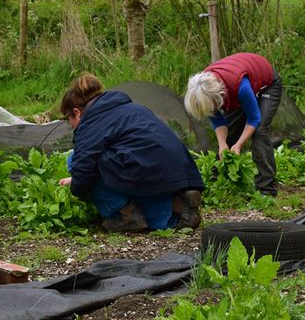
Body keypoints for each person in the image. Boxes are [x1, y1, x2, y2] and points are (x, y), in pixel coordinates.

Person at [57, 73, 204, 232]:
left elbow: (83, 170)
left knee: (74, 159)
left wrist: (77, 183)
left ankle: (126, 216)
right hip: (179, 172)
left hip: (148, 169)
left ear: (77, 112)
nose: (70, 125)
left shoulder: (92, 121)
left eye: (68, 119)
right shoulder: (132, 108)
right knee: (109, 164)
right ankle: (179, 203)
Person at [184, 52, 282, 196]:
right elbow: (219, 122)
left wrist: (239, 145)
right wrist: (223, 144)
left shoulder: (240, 88)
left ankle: (266, 189)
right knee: (230, 130)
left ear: (216, 97)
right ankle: (217, 179)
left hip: (267, 84)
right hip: (238, 85)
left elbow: (254, 118)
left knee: (260, 131)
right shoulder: (203, 92)